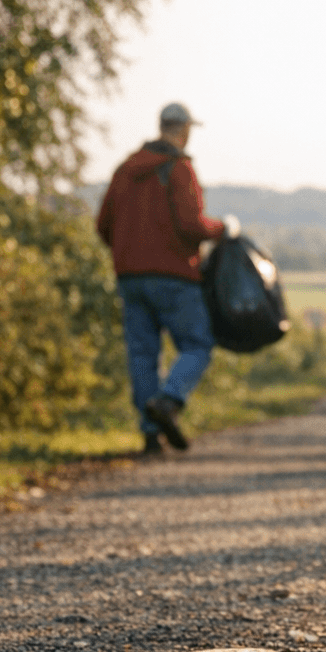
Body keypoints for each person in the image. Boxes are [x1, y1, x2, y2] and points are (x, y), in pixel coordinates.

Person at [96, 102, 234, 455]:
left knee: (142, 354)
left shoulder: (125, 170)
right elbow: (192, 225)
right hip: (174, 277)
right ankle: (169, 401)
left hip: (130, 277)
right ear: (184, 130)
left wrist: (129, 252)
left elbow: (103, 225)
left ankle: (149, 434)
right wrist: (223, 229)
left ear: (160, 126)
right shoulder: (179, 169)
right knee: (197, 344)